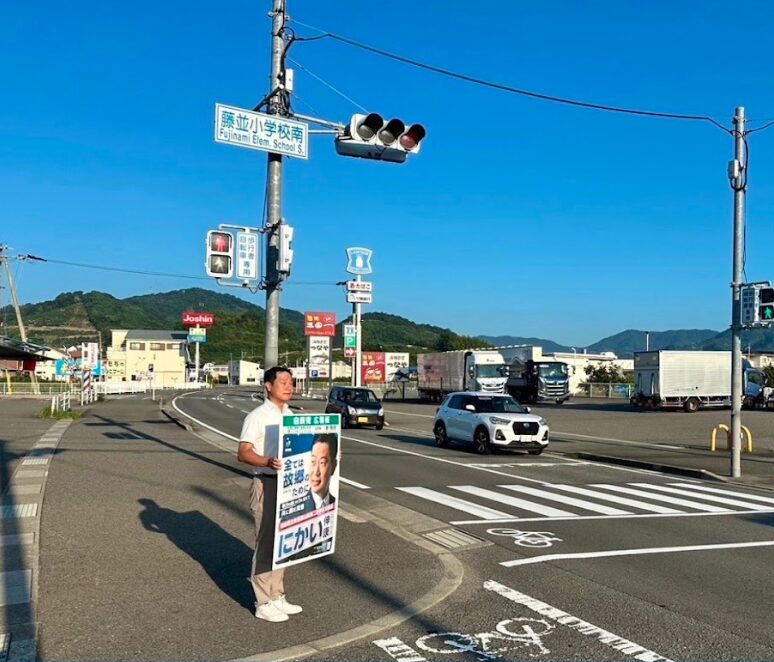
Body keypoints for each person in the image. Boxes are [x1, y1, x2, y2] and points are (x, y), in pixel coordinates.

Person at [237, 365, 302, 623]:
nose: (289, 386)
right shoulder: (257, 416)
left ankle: (277, 595)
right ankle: (262, 601)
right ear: (268, 385)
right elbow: (243, 452)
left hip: (289, 485)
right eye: (283, 381)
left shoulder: (291, 415)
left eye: (291, 382)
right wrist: (267, 462)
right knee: (266, 543)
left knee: (284, 541)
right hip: (266, 481)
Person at [298, 434, 338, 515]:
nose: (316, 472)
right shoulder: (293, 514)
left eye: (322, 462)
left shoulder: (335, 504)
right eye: (313, 461)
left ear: (333, 466)